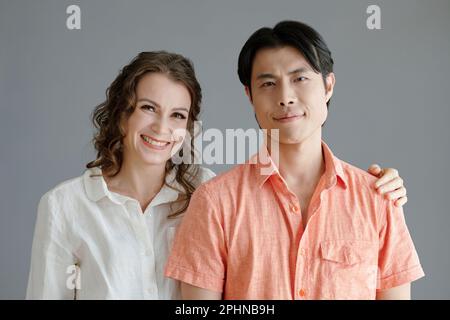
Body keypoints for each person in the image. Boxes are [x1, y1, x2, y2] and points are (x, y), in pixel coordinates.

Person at [26, 50, 407, 300]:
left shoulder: (205, 192)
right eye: (147, 108)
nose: (162, 127)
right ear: (122, 113)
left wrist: (377, 189)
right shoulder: (66, 206)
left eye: (177, 115)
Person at [165, 21, 424, 300]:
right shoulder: (215, 203)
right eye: (268, 83)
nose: (285, 97)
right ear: (249, 96)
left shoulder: (378, 199)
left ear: (328, 86)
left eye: (299, 79)